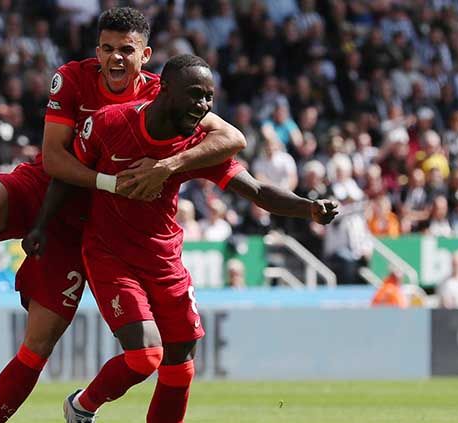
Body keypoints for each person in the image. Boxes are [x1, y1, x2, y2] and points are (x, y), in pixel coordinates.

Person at [0, 8, 246, 423]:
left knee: (38, 345)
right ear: (97, 49)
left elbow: (232, 137)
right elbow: (55, 161)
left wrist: (166, 167)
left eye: (126, 50)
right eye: (108, 49)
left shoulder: (165, 95)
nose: (115, 58)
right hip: (49, 190)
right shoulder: (73, 78)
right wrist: (112, 183)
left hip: (96, 224)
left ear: (145, 55)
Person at [26, 54, 336, 423]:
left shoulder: (196, 147)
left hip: (164, 260)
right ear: (166, 90)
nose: (202, 106)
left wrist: (309, 208)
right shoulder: (110, 123)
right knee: (145, 356)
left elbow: (256, 191)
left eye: (208, 98)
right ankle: (81, 407)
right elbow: (67, 174)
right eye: (195, 95)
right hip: (111, 255)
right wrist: (42, 225)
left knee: (181, 363)